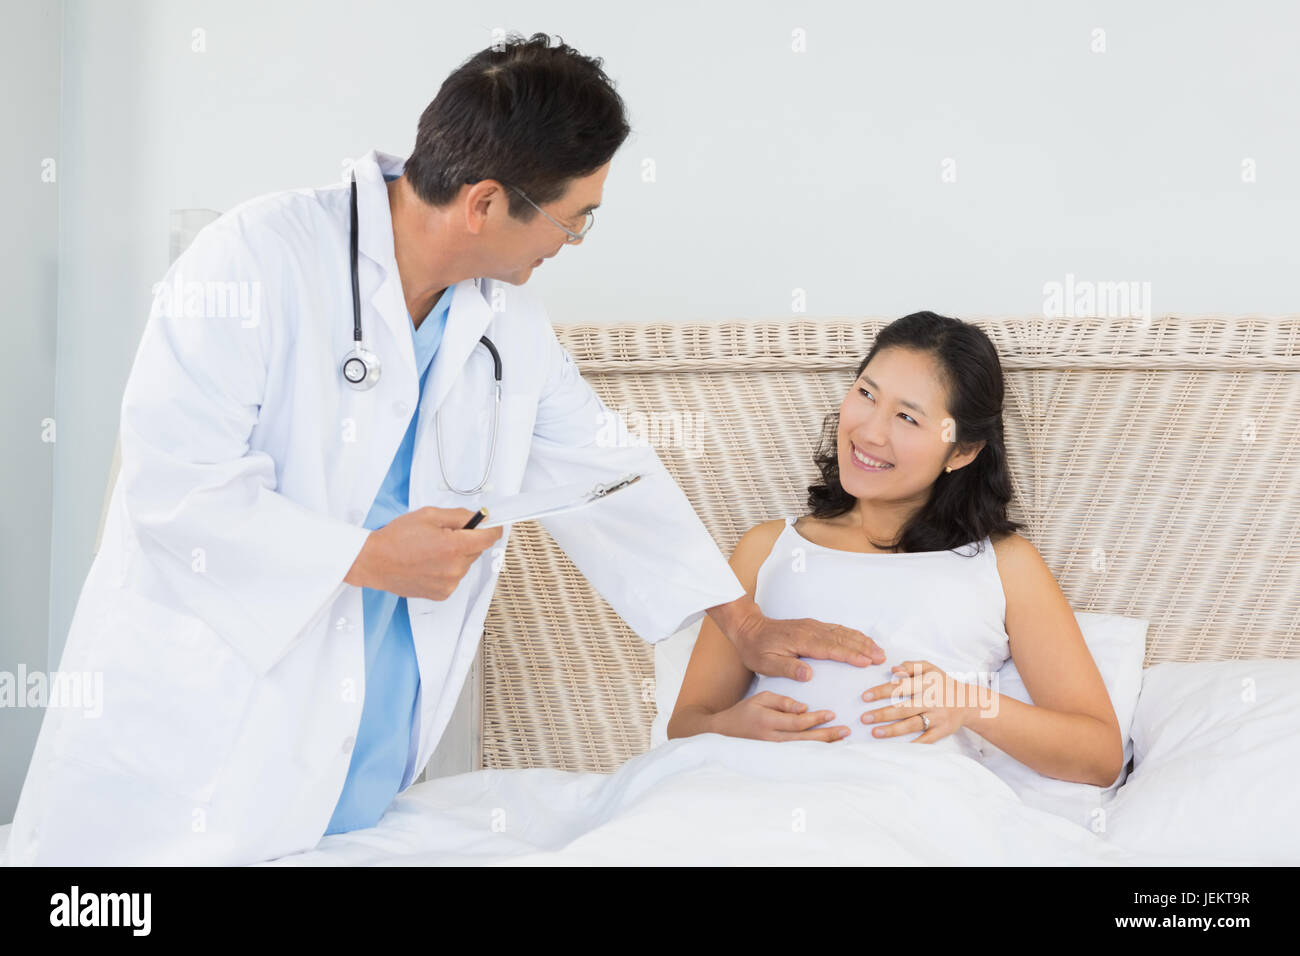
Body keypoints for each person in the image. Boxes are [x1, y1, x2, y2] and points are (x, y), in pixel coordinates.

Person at [6, 33, 886, 867]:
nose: (569, 244)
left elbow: (610, 478)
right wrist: (365, 557)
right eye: (573, 221)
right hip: (189, 754)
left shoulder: (505, 323)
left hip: (356, 779)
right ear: (486, 203)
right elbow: (175, 491)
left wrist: (747, 623)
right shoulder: (250, 260)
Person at [668, 312, 1125, 788]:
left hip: (917, 815)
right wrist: (728, 729)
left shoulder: (1005, 564)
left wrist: (970, 704)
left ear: (963, 451)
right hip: (764, 805)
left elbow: (1098, 755)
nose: (869, 433)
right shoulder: (766, 549)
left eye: (907, 417)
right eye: (866, 394)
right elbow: (684, 727)